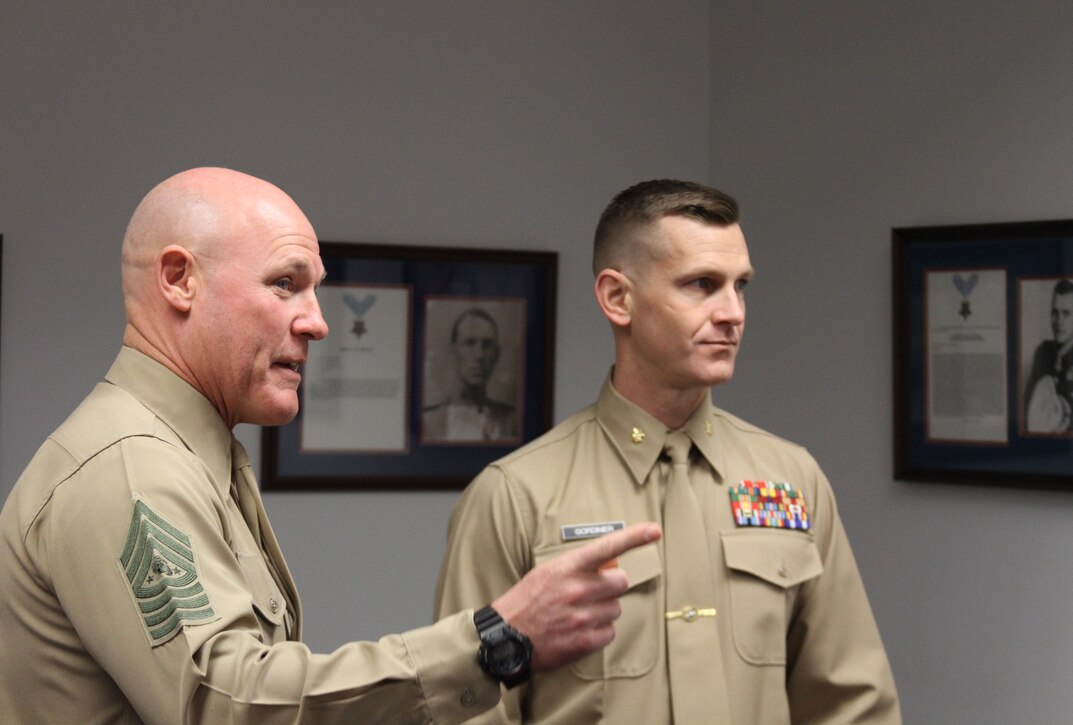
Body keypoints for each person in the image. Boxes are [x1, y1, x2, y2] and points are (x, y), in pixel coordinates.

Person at [0, 167, 662, 724]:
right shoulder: (130, 465)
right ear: (179, 279)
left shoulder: (190, 453)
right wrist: (492, 638)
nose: (318, 321)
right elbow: (229, 704)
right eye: (286, 283)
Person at [435, 179, 902, 723]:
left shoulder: (791, 477)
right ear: (618, 298)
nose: (733, 312)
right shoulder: (516, 495)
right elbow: (467, 711)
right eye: (702, 284)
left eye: (740, 286)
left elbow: (852, 704)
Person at [423, 307, 519, 442]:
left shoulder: (512, 421)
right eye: (469, 343)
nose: (479, 355)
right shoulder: (428, 421)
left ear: (496, 354)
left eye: (487, 345)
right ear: (452, 351)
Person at [1025, 279, 1073, 432]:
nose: (1059, 321)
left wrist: (1068, 419)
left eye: (1066, 313)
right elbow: (1028, 409)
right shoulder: (1042, 352)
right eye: (1055, 312)